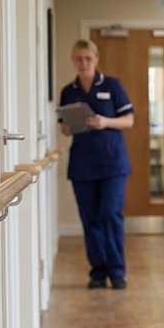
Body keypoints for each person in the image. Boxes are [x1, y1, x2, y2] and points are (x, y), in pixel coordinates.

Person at [59, 39, 134, 290]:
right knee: (90, 218)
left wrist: (105, 121)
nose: (84, 63)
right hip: (83, 164)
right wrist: (69, 127)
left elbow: (129, 120)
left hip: (112, 163)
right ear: (73, 61)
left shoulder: (112, 85)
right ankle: (98, 272)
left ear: (96, 59)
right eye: (79, 59)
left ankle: (117, 271)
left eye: (88, 58)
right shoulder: (68, 91)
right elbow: (65, 128)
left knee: (110, 215)